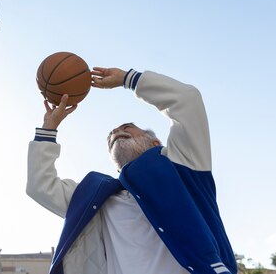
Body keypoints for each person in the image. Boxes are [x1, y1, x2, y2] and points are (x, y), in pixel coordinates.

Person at [26, 66, 237, 274]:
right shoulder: (97, 198)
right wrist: (48, 129)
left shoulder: (183, 165)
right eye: (111, 136)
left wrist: (127, 79)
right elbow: (40, 186)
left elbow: (187, 100)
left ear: (155, 143)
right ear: (114, 163)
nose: (116, 131)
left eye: (127, 127)